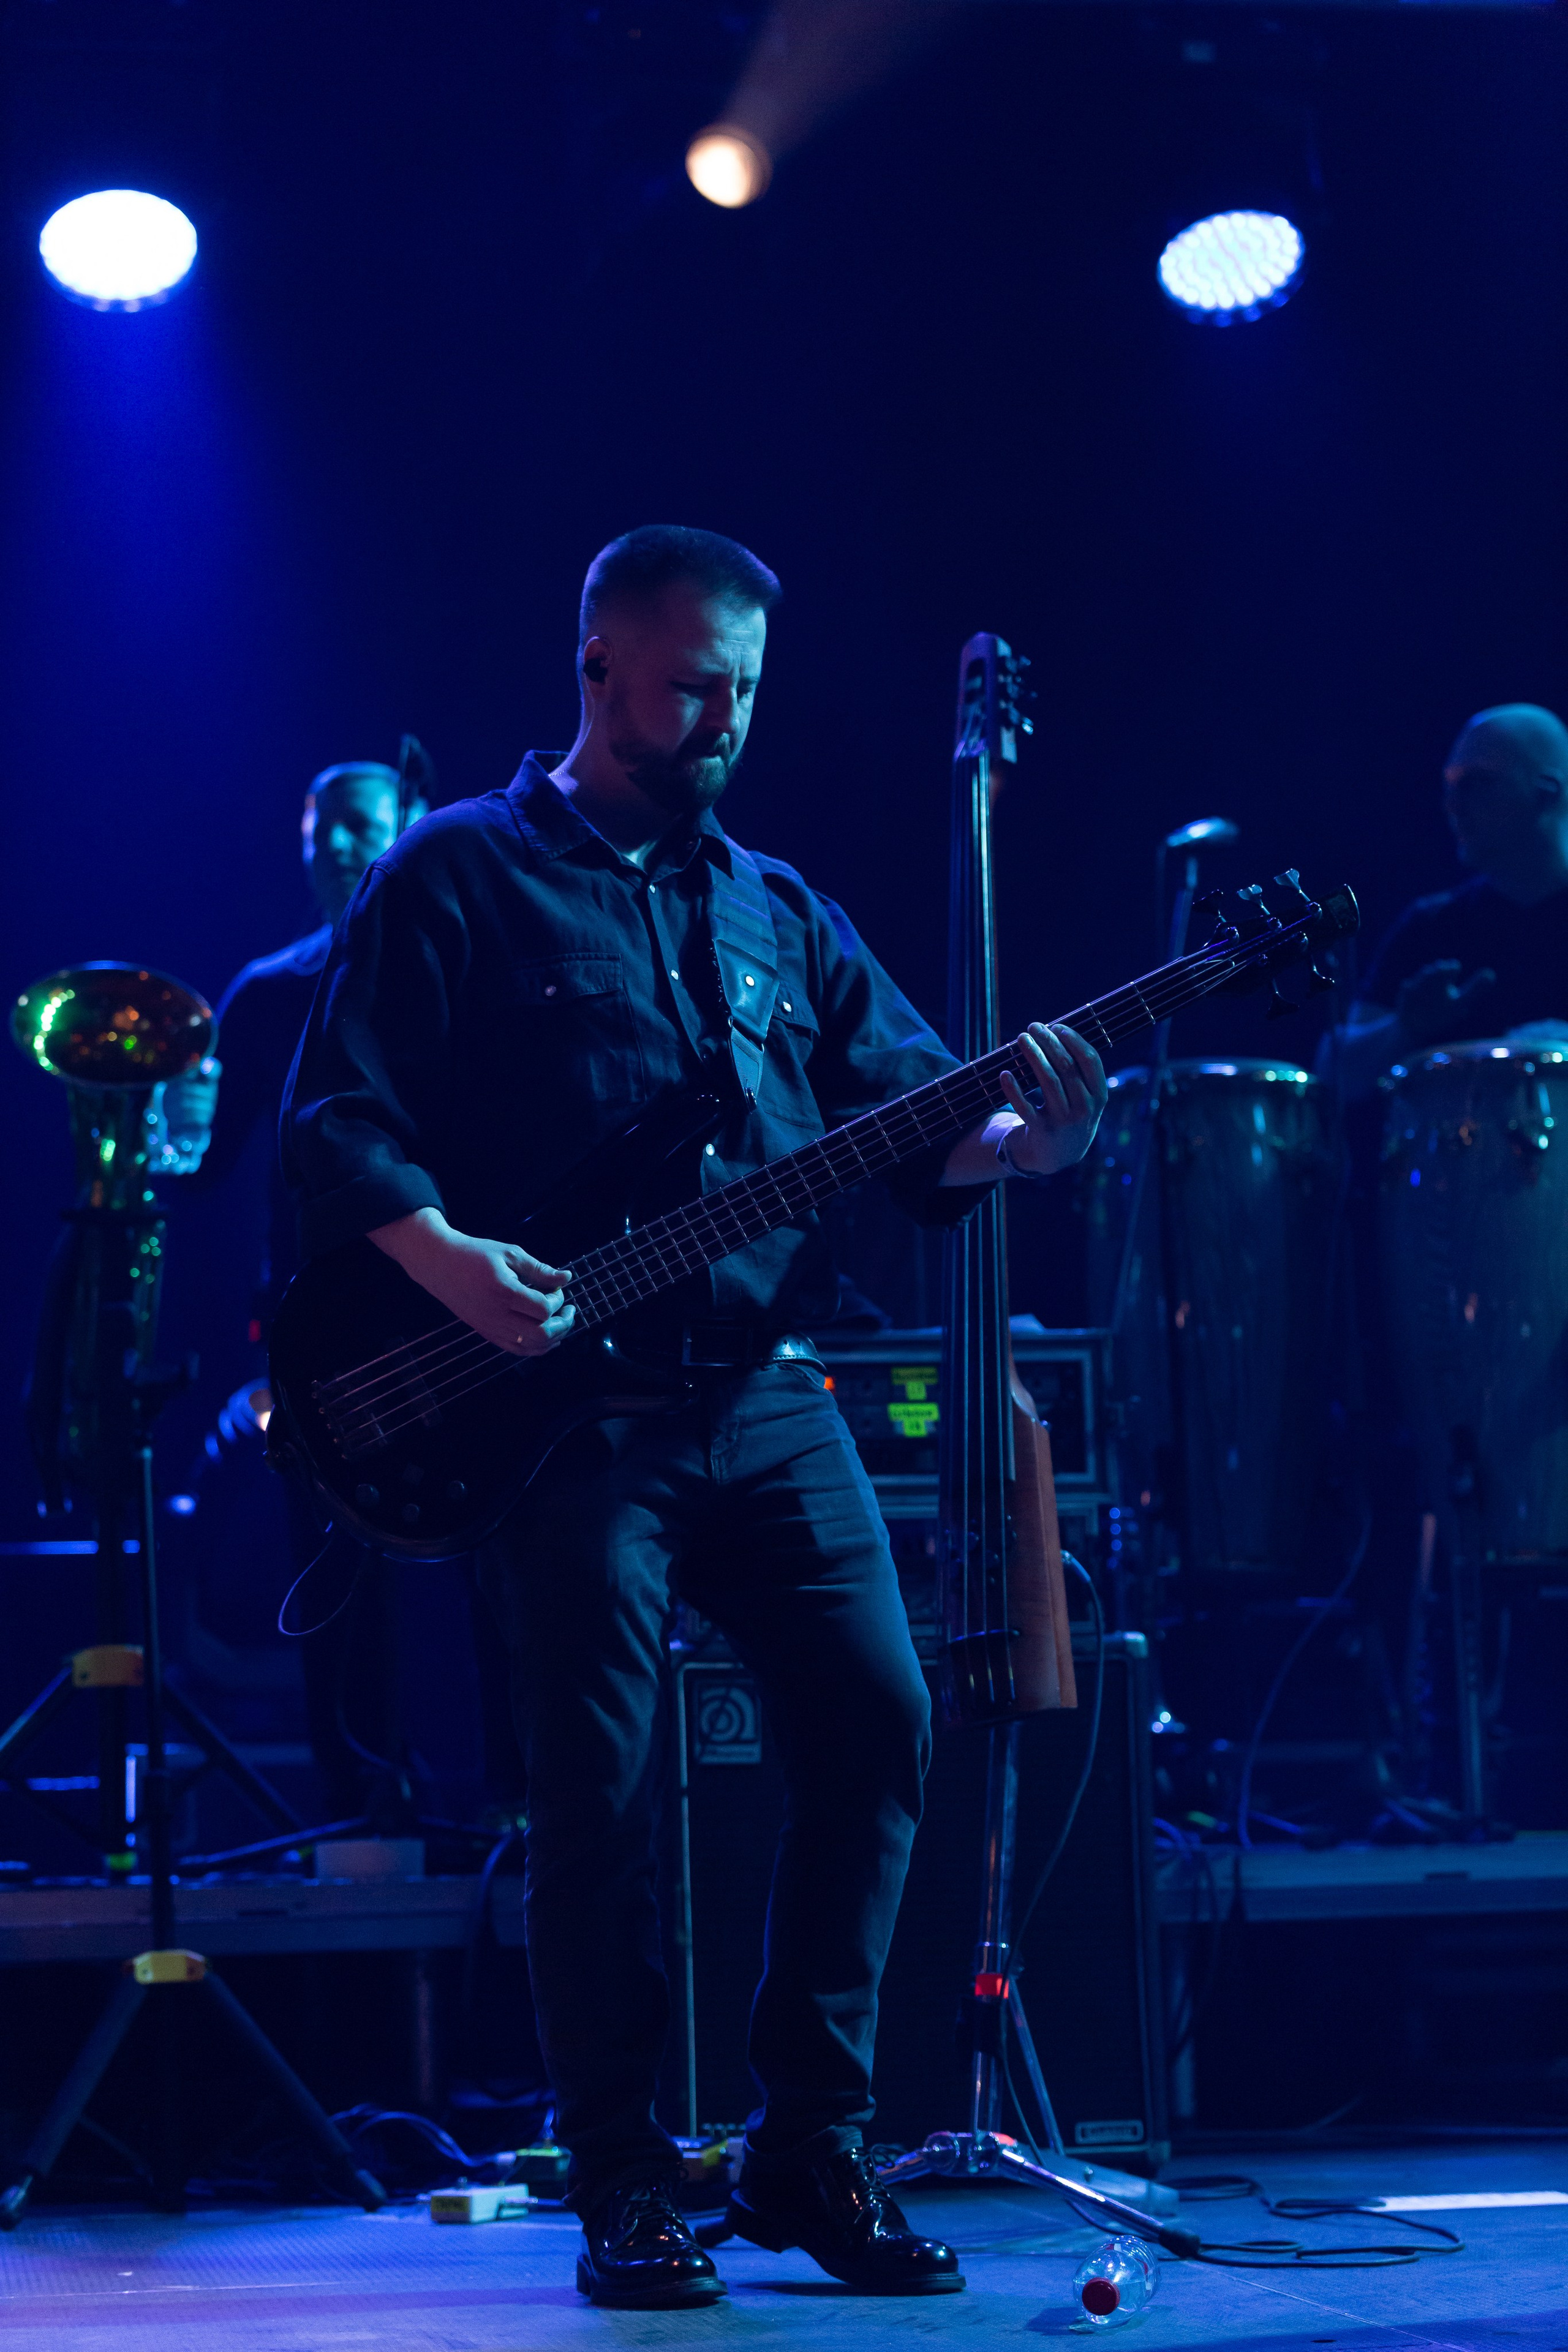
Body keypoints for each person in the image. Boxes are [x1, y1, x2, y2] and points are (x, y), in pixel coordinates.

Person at [281, 526, 1108, 2309]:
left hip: (763, 1391)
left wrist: (1032, 1135)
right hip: (564, 1422)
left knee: (882, 1718)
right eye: (688, 683)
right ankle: (625, 2181)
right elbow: (334, 1129)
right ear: (595, 666)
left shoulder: (776, 910)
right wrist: (454, 1265)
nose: (722, 717)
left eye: (743, 688)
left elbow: (918, 1125)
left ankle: (810, 2147)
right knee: (598, 1791)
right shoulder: (455, 878)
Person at [162, 759, 523, 1829]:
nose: (337, 847)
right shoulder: (267, 993)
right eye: (322, 830)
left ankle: (517, 1790)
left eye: (360, 826)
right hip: (318, 1321)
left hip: (450, 1297)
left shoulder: (462, 963)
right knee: (329, 1564)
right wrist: (158, 1130)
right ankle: (365, 1795)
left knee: (495, 1542)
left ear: (406, 830)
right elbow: (210, 1160)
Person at [1329, 704, 1568, 1101]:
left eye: (1477, 784)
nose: (1452, 805)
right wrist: (1405, 1028)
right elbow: (1334, 1075)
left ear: (1546, 794)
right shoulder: (1431, 926)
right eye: (1450, 786)